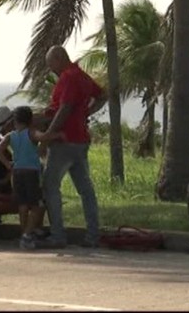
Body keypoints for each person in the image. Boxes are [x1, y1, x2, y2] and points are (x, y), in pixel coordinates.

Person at [36, 45, 108, 249]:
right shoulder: (82, 76)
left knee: (50, 186)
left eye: (51, 65)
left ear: (59, 59)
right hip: (81, 141)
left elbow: (64, 110)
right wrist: (86, 113)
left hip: (64, 141)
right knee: (86, 190)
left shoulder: (68, 77)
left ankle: (58, 235)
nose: (51, 69)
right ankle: (93, 235)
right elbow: (102, 95)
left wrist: (46, 138)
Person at [0, 106, 61, 249]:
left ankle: (23, 234)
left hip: (17, 172)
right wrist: (57, 135)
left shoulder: (10, 136)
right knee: (37, 205)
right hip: (31, 172)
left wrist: (8, 164)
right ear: (30, 120)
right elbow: (42, 137)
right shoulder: (30, 133)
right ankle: (27, 235)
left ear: (14, 121)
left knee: (23, 205)